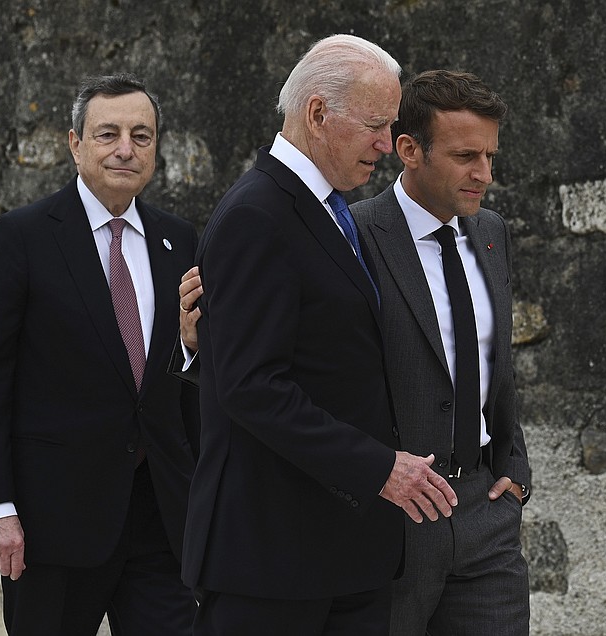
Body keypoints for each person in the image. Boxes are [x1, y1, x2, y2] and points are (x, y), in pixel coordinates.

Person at [182, 35, 458, 636]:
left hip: (342, 554)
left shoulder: (329, 210)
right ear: (316, 114)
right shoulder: (257, 214)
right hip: (274, 561)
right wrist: (379, 468)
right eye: (376, 125)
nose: (388, 146)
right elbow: (252, 386)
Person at [0, 74, 199, 635]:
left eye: (142, 136)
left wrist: (188, 355)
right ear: (74, 143)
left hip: (160, 518)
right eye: (107, 133)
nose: (124, 149)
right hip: (51, 527)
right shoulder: (19, 238)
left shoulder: (178, 240)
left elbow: (180, 376)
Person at [351, 69, 531, 635]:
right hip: (391, 519)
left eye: (490, 156)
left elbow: (494, 365)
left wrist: (515, 469)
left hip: (486, 512)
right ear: (408, 150)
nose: (485, 174)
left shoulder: (492, 232)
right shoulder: (354, 235)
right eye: (464, 156)